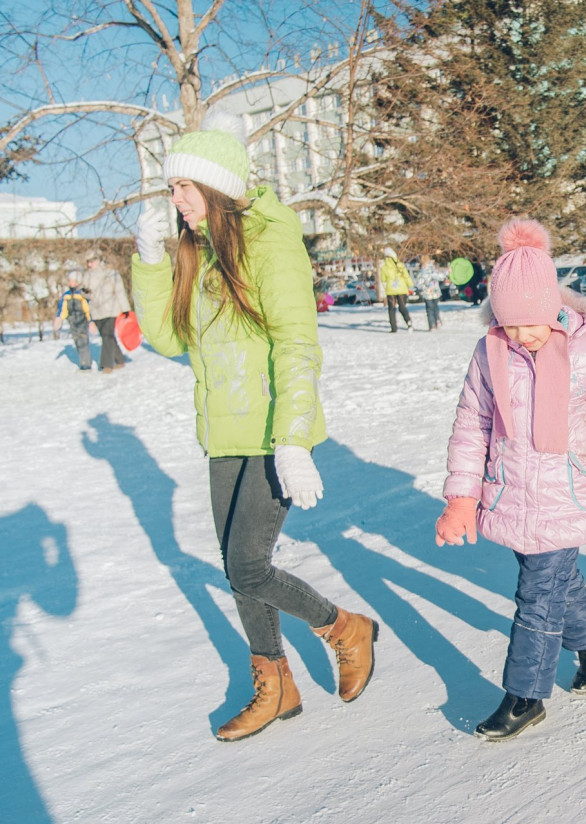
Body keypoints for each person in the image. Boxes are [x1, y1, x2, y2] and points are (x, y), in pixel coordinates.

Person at [131, 113, 379, 742]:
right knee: (239, 568)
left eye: (183, 186)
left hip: (273, 433)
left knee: (247, 566)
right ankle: (276, 686)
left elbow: (297, 343)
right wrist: (151, 261)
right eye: (171, 188)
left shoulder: (270, 242)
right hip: (224, 436)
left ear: (215, 186)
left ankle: (344, 628)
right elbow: (168, 338)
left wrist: (292, 440)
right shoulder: (200, 252)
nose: (175, 199)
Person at [436, 218, 586, 742]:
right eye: (509, 325)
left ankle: (525, 696)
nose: (520, 335)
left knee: (537, 593)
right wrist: (462, 498)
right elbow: (472, 425)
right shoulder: (488, 353)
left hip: (568, 491)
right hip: (512, 491)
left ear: (552, 307)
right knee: (556, 582)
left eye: (530, 324)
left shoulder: (584, 352)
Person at [82, 249, 132, 372]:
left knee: (107, 335)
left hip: (111, 310)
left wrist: (126, 309)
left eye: (92, 261)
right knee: (107, 336)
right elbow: (86, 295)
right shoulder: (87, 276)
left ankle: (106, 365)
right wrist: (85, 293)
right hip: (96, 311)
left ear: (98, 260)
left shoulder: (110, 274)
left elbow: (120, 292)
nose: (89, 264)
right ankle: (120, 359)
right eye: (88, 262)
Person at [53, 273, 93, 371]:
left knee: (83, 341)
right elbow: (62, 309)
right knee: (77, 341)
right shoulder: (66, 295)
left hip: (82, 320)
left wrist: (91, 321)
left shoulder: (82, 294)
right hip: (72, 321)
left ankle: (86, 364)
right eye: (70, 281)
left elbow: (87, 309)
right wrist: (59, 318)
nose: (71, 283)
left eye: (73, 281)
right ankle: (82, 362)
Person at [378, 248, 414, 332]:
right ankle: (408, 321)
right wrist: (410, 285)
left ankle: (393, 327)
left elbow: (383, 280)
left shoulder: (384, 267)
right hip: (402, 289)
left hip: (391, 290)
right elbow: (406, 276)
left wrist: (385, 288)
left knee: (391, 308)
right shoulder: (400, 265)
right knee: (402, 307)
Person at [416, 256, 444, 331]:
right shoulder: (434, 269)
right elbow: (441, 277)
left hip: (427, 293)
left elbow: (419, 283)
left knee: (429, 309)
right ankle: (437, 320)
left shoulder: (422, 271)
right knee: (435, 307)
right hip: (435, 292)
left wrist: (421, 286)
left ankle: (432, 325)